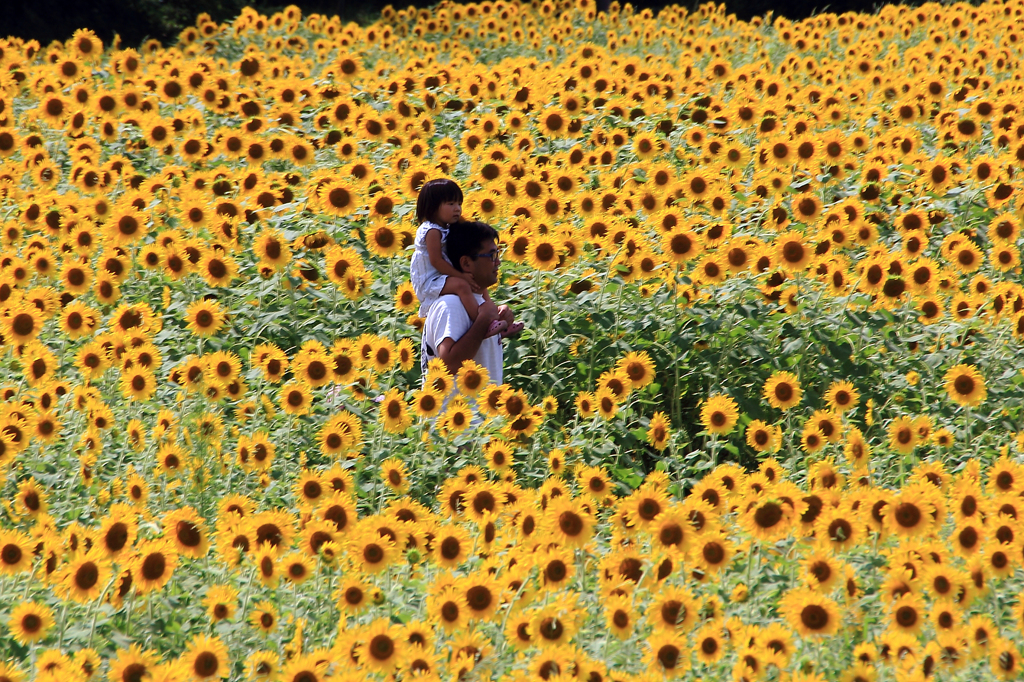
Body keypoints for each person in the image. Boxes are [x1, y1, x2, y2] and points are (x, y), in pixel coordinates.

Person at [411, 179, 520, 337]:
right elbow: (436, 261)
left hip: (443, 274)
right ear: (433, 207)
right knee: (462, 285)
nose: (457, 209)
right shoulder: (432, 231)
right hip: (430, 280)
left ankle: (496, 320)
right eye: (450, 204)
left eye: (459, 203)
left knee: (477, 284)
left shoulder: (446, 226)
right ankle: (483, 326)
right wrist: (461, 275)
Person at [421, 220, 515, 385]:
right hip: (457, 409)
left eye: (498, 254)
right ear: (466, 263)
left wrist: (501, 323)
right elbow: (448, 365)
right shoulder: (451, 304)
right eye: (492, 255)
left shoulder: (477, 303)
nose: (498, 262)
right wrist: (484, 320)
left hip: (481, 409)